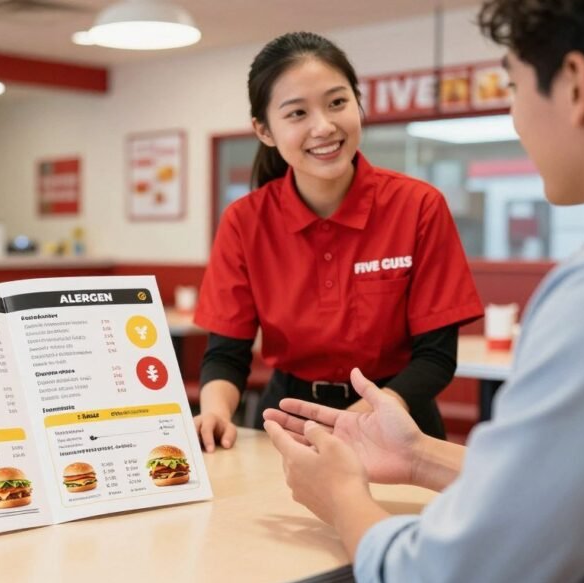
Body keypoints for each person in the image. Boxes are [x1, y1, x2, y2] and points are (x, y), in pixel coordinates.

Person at [263, 1, 584, 583]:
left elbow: (453, 571)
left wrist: (341, 497)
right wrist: (419, 456)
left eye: (513, 86)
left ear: (575, 84)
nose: (515, 118)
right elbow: (564, 483)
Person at [192, 32, 484, 452]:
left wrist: (363, 418)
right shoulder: (244, 221)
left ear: (357, 103)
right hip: (288, 425)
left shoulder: (418, 206)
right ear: (264, 130)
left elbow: (436, 357)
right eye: (296, 113)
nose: (324, 126)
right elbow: (226, 354)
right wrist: (217, 410)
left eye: (337, 102)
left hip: (399, 423)